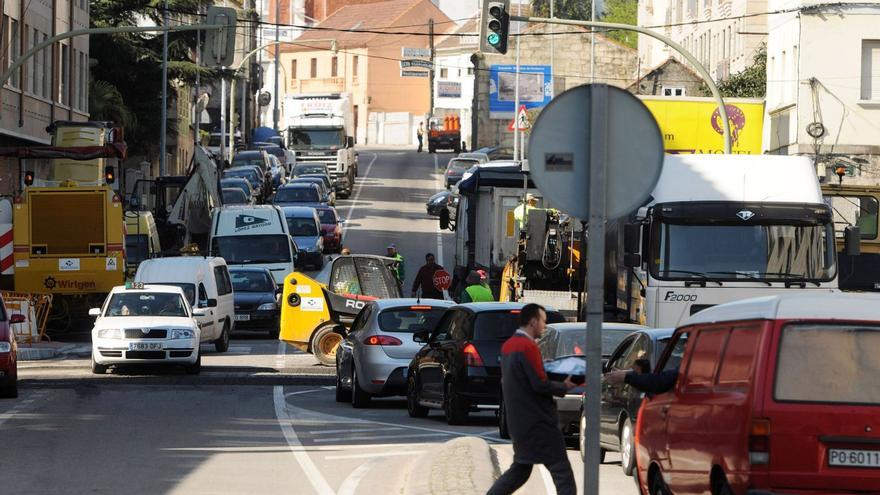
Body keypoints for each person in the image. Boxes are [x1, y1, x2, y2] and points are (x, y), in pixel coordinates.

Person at [488, 303, 577, 495]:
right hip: (539, 422)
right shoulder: (528, 346)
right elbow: (539, 385)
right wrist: (564, 386)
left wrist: (541, 365)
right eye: (543, 321)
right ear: (533, 321)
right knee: (562, 472)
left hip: (519, 421)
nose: (544, 327)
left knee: (521, 469)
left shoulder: (509, 346)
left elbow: (522, 377)